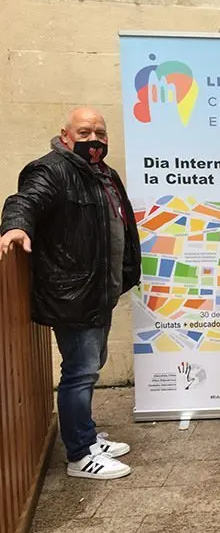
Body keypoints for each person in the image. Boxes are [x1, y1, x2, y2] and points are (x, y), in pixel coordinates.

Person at [0, 107, 140, 480]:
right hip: (73, 295)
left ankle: (87, 436)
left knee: (89, 369)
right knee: (80, 372)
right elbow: (24, 200)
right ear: (65, 135)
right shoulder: (52, 170)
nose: (93, 139)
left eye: (100, 132)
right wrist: (15, 226)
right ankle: (80, 455)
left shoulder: (101, 174)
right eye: (84, 132)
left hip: (99, 291)